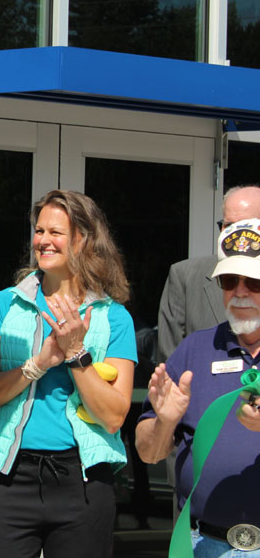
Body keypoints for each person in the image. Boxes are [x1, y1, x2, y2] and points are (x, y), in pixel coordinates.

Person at [0, 189, 137, 558]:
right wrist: (38, 364)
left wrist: (77, 354)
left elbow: (113, 417)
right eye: (39, 230)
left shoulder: (114, 318)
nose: (42, 240)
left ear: (83, 240)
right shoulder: (5, 303)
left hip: (83, 481)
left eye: (55, 232)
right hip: (5, 477)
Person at [136, 218, 260, 556]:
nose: (240, 291)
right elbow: (149, 452)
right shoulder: (195, 350)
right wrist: (165, 421)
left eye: (253, 281)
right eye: (230, 280)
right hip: (205, 545)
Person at [158, 185, 260, 362]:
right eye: (228, 226)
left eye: (245, 226)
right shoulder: (185, 276)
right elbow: (171, 364)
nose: (235, 235)